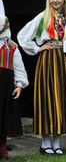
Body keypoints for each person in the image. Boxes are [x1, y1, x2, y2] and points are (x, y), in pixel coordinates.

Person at [17, 0, 66, 155]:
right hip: (47, 60)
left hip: (63, 60)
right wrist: (37, 48)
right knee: (46, 97)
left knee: (62, 98)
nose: (55, 0)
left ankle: (57, 143)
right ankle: (45, 142)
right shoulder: (43, 17)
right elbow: (22, 36)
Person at [0, 15, 28, 159]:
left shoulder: (11, 47)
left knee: (3, 117)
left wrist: (19, 84)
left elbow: (19, 67)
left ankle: (2, 147)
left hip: (4, 88)